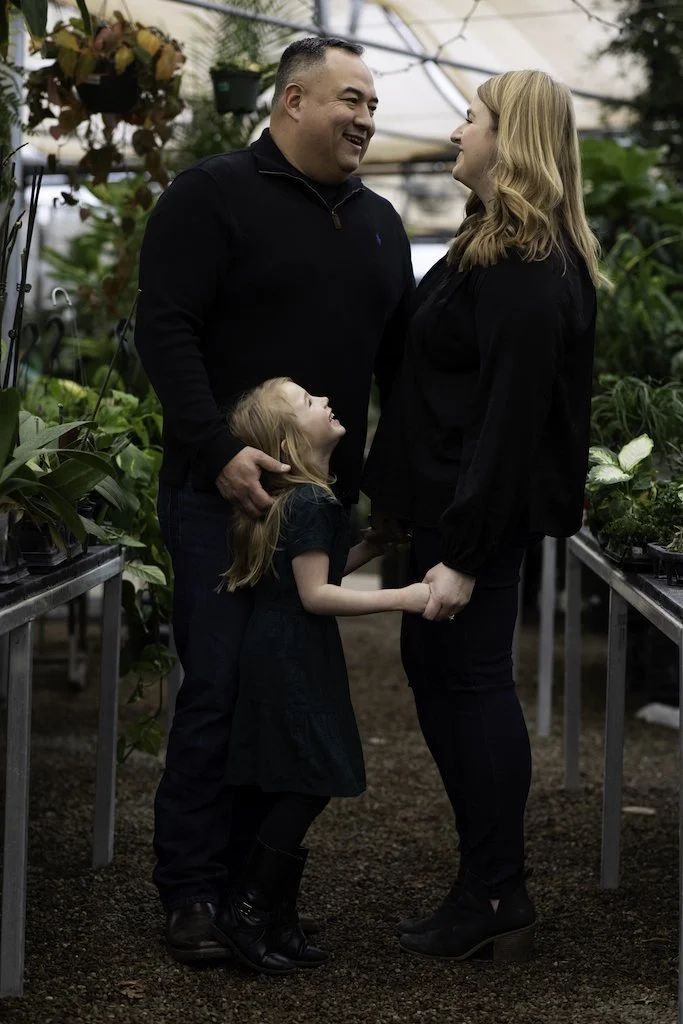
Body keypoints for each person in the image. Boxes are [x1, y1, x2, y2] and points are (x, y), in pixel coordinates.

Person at [134, 36, 414, 964]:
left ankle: (255, 896)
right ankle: (191, 894)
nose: (366, 119)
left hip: (313, 510)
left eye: (373, 104)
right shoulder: (210, 196)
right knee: (216, 691)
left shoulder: (378, 223)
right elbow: (164, 330)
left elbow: (398, 368)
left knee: (283, 698)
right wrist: (216, 452)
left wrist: (382, 488)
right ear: (292, 100)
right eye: (350, 99)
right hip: (219, 500)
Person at [362, 69, 606, 961]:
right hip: (442, 512)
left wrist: (462, 552)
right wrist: (398, 511)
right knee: (442, 683)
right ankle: (483, 879)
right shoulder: (487, 244)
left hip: (475, 522)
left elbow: (509, 423)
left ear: (513, 139)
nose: (457, 131)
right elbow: (442, 391)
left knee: (471, 688)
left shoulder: (530, 267)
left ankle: (497, 887)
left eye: (471, 118)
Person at [209, 377, 429, 975]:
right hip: (293, 654)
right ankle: (248, 912)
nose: (326, 401)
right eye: (307, 403)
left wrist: (371, 547)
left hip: (283, 649)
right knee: (308, 778)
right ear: (287, 439)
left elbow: (316, 570)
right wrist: (404, 597)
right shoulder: (311, 501)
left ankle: (275, 916)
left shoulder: (308, 500)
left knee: (294, 776)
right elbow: (316, 595)